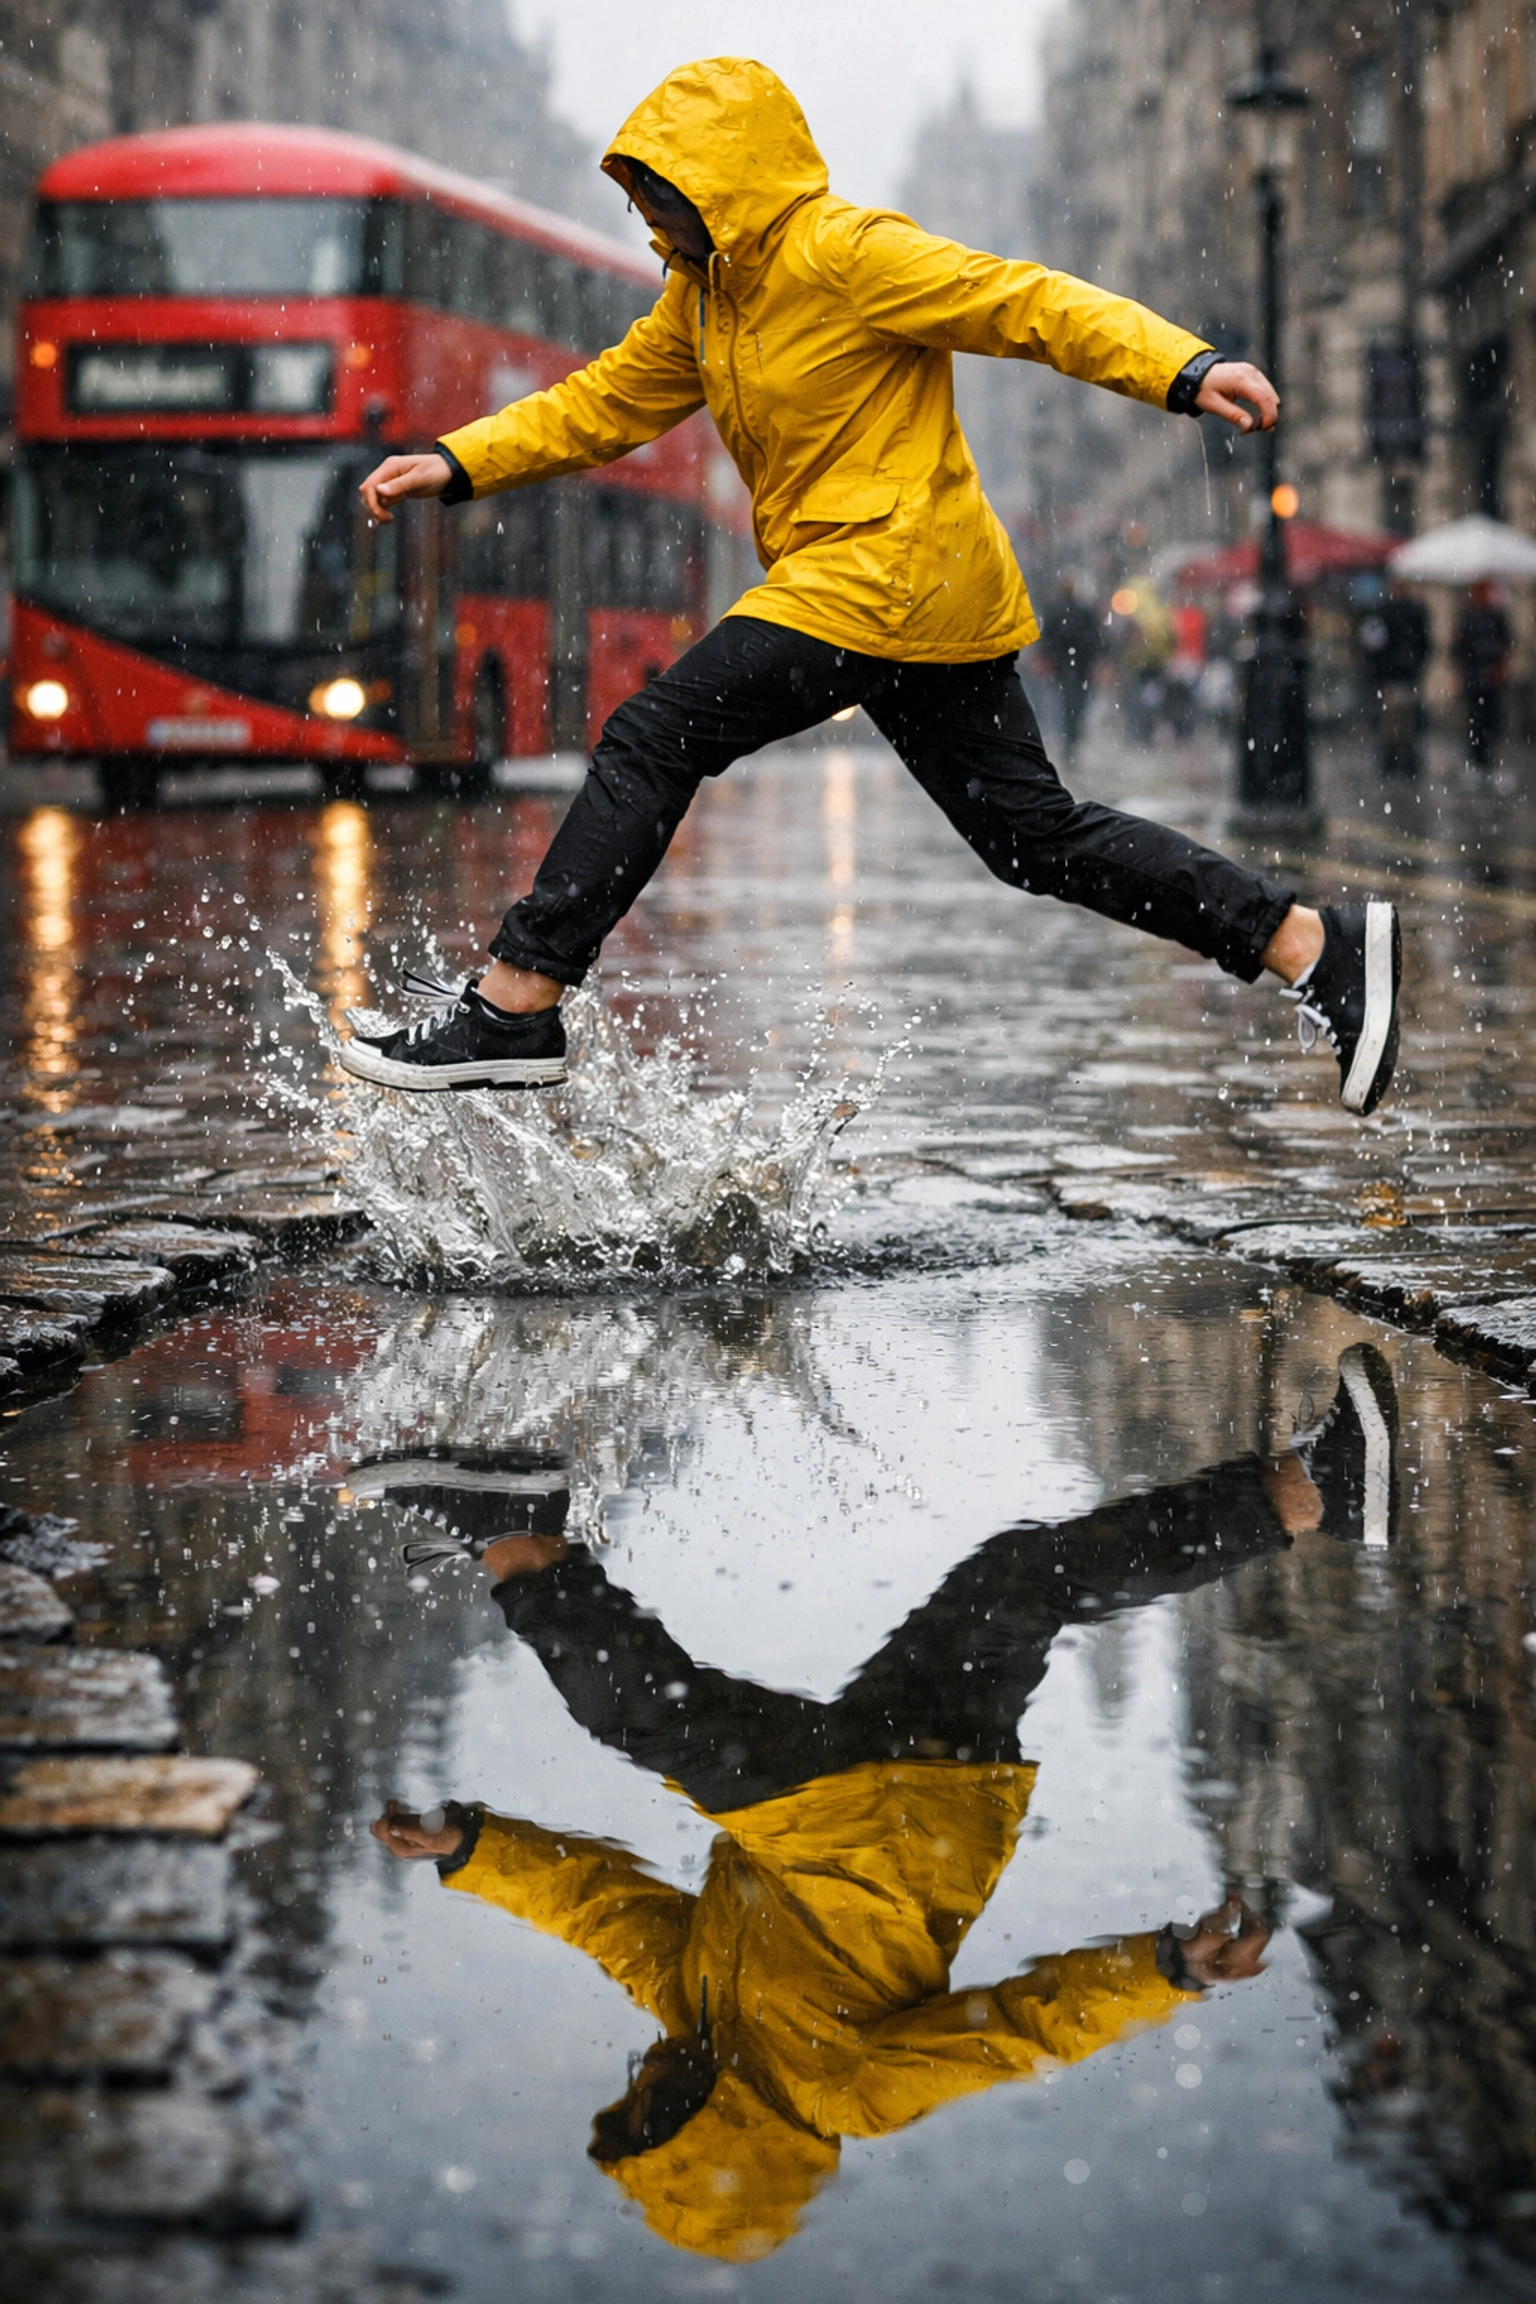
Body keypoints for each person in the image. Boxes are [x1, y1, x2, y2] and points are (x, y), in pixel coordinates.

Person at [344, 58, 1401, 1119]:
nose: (644, 212)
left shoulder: (845, 252)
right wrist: (459, 459)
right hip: (895, 597)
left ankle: (517, 1003)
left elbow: (1022, 302)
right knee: (1035, 840)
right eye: (637, 194)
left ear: (721, 175)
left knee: (655, 734)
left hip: (880, 572)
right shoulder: (703, 304)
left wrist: (1178, 365)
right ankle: (1309, 942)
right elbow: (602, 402)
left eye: (658, 191)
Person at [367, 1343, 1398, 2263]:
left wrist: (471, 1849)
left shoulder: (693, 2003)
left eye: (629, 2107)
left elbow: (592, 1909)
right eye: (648, 2112)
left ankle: (1318, 1490)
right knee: (661, 1724)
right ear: (713, 2132)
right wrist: (1162, 1971)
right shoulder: (844, 2089)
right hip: (864, 1819)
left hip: (914, 1789)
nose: (637, 2084)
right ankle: (517, 1533)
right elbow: (1018, 2031)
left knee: (1015, 1583)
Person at [1359, 580, 1431, 780]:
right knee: (1398, 725)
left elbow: (1373, 646)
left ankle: (1398, 765)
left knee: (1398, 725)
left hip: (1399, 677)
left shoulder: (1385, 612)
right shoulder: (1397, 612)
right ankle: (1400, 765)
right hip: (1398, 677)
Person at [1042, 576, 1104, 762]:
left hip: (1069, 666)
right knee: (1074, 704)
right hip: (1076, 666)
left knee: (1068, 703)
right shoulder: (1080, 611)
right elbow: (1095, 638)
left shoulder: (1057, 611)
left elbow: (1047, 639)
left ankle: (1070, 739)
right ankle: (1071, 739)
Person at [1454, 581, 1513, 770]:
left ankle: (1486, 757)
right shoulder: (1468, 617)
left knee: (1491, 719)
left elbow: (1506, 643)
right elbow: (1459, 649)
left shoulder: (1496, 616)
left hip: (1490, 678)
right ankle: (1476, 758)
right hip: (1475, 677)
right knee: (1476, 720)